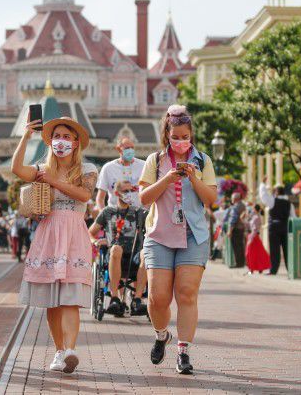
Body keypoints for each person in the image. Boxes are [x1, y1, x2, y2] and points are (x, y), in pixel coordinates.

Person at [12, 116, 96, 375]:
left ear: (76, 142)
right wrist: (26, 135)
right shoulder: (41, 167)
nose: (62, 141)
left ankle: (70, 350)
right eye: (57, 136)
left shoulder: (88, 168)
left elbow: (84, 194)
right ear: (50, 142)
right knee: (52, 301)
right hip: (49, 233)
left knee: (70, 298)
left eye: (67, 137)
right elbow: (17, 169)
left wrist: (53, 181)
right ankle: (60, 350)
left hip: (74, 234)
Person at [139, 104, 217, 375]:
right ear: (167, 136)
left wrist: (194, 178)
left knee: (186, 293)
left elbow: (211, 199)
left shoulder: (203, 160)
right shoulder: (155, 160)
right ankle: (162, 335)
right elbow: (144, 198)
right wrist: (168, 179)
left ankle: (183, 352)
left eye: (186, 137)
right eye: (176, 137)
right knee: (158, 297)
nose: (181, 141)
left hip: (193, 235)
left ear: (192, 135)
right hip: (160, 234)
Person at [88, 180, 148, 317]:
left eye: (132, 191)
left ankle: (137, 299)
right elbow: (90, 232)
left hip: (135, 256)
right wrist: (95, 241)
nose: (130, 194)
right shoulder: (108, 212)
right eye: (126, 191)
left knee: (146, 253)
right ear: (116, 193)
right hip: (114, 257)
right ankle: (114, 298)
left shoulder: (140, 213)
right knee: (116, 249)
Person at [96, 137, 146, 210]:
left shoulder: (144, 166)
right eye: (127, 148)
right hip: (115, 214)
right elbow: (100, 198)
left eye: (132, 148)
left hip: (138, 214)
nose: (130, 150)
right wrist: (104, 216)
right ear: (118, 149)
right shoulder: (108, 168)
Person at [258, 180, 295, 275]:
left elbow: (263, 196)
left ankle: (274, 269)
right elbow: (293, 217)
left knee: (275, 250)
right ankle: (290, 269)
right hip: (285, 227)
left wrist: (262, 184)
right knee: (287, 249)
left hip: (274, 227)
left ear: (276, 192)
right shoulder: (289, 203)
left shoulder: (273, 200)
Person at [223, 193, 246, 269]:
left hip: (236, 229)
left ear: (235, 199)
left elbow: (233, 219)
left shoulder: (235, 207)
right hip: (241, 228)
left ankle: (238, 263)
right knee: (240, 246)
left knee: (236, 246)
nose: (231, 200)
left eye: (232, 198)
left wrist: (230, 231)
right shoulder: (243, 205)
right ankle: (241, 263)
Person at [245, 204, 270, 274]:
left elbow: (255, 229)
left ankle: (254, 268)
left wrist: (251, 239)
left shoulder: (256, 218)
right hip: (252, 236)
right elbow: (249, 225)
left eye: (253, 208)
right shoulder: (253, 217)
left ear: (255, 209)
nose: (252, 210)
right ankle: (254, 268)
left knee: (251, 253)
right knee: (255, 253)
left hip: (254, 237)